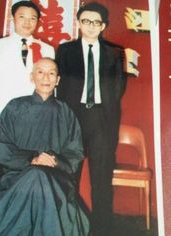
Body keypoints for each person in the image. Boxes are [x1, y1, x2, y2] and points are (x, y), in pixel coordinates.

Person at [0, 1, 54, 235]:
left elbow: (50, 90)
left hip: (31, 126)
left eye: (32, 18)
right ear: (13, 19)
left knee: (25, 179)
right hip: (0, 124)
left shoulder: (46, 50)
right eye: (22, 17)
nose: (27, 22)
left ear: (37, 22)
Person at [0, 58, 90, 236]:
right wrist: (32, 159)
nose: (46, 78)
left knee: (40, 176)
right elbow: (4, 149)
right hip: (18, 175)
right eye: (40, 72)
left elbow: (75, 152)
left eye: (51, 73)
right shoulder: (14, 107)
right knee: (36, 174)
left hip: (56, 175)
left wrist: (55, 160)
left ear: (57, 80)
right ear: (32, 77)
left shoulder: (66, 112)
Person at [56, 2, 127, 236]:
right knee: (69, 176)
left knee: (102, 179)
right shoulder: (65, 51)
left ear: (103, 26)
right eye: (86, 21)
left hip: (101, 120)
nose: (90, 26)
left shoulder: (114, 53)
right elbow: (61, 87)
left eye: (96, 22)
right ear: (78, 23)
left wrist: (103, 112)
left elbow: (118, 88)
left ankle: (102, 230)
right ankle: (69, 227)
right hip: (73, 120)